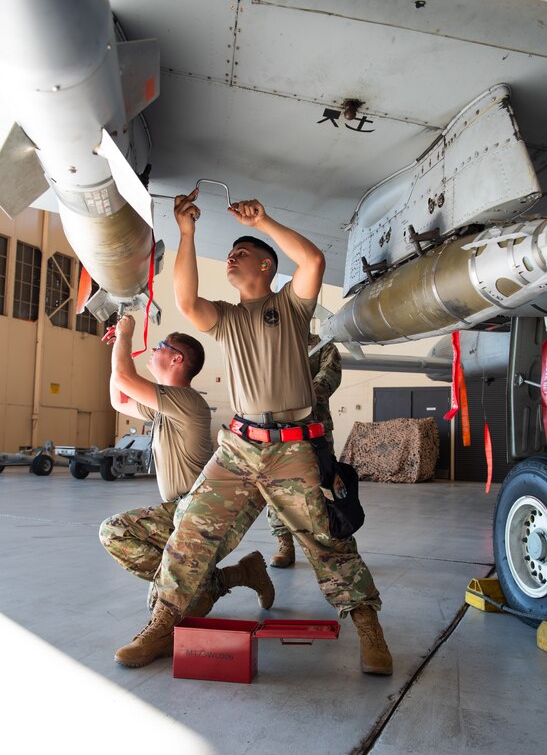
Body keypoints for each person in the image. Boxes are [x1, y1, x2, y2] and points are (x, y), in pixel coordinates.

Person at [114, 191, 393, 676]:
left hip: (292, 449)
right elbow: (184, 299)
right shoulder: (227, 319)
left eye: (241, 254)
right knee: (189, 530)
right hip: (239, 448)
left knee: (327, 542)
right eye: (230, 255)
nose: (232, 259)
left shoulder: (291, 306)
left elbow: (312, 259)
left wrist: (264, 221)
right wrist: (186, 233)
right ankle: (163, 622)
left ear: (266, 266)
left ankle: (368, 627)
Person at [99, 315, 274, 666]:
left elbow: (125, 378)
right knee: (117, 534)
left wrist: (127, 335)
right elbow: (120, 397)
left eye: (160, 346)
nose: (154, 350)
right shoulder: (165, 406)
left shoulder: (187, 402)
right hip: (177, 513)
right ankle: (239, 574)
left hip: (207, 517)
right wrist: (120, 343)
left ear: (177, 359)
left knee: (174, 595)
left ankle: (181, 606)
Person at [269, 333, 341, 568]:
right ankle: (284, 543)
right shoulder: (273, 343)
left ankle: (331, 544)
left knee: (324, 486)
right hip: (278, 429)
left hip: (314, 430)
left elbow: (327, 379)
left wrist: (294, 395)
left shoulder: (322, 346)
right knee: (276, 488)